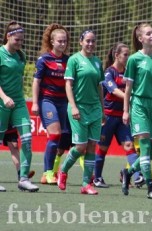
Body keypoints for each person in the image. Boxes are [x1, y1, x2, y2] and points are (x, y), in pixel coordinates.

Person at [121, 22, 152, 199]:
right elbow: (128, 88)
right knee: (144, 146)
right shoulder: (134, 59)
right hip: (139, 105)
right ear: (140, 38)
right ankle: (150, 187)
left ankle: (128, 173)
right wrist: (126, 110)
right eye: (148, 34)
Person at [57, 29, 104, 195]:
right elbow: (68, 85)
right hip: (79, 108)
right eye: (87, 41)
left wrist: (102, 108)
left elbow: (99, 87)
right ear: (81, 42)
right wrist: (74, 106)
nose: (90, 44)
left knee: (92, 146)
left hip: (95, 109)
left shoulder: (98, 62)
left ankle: (86, 184)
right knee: (81, 147)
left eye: (93, 41)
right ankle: (63, 171)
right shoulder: (74, 60)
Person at [93, 42, 143, 188]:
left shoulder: (129, 72)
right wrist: (130, 98)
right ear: (117, 55)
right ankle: (97, 178)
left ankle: (137, 176)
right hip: (107, 117)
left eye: (129, 54)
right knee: (102, 148)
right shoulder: (109, 72)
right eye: (125, 54)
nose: (128, 57)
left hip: (122, 117)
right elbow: (114, 91)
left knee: (129, 146)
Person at [0, 21, 39, 192]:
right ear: (8, 37)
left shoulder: (21, 55)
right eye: (17, 40)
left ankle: (23, 178)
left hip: (19, 103)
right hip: (2, 103)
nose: (20, 43)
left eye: (22, 40)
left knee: (27, 139)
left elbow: (20, 79)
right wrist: (4, 96)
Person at [31, 23, 70, 185]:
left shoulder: (70, 60)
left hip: (64, 102)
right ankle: (48, 173)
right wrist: (34, 103)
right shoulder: (44, 59)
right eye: (59, 41)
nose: (62, 44)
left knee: (63, 138)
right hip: (47, 100)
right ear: (52, 42)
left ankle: (48, 174)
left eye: (65, 41)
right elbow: (36, 82)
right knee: (54, 135)